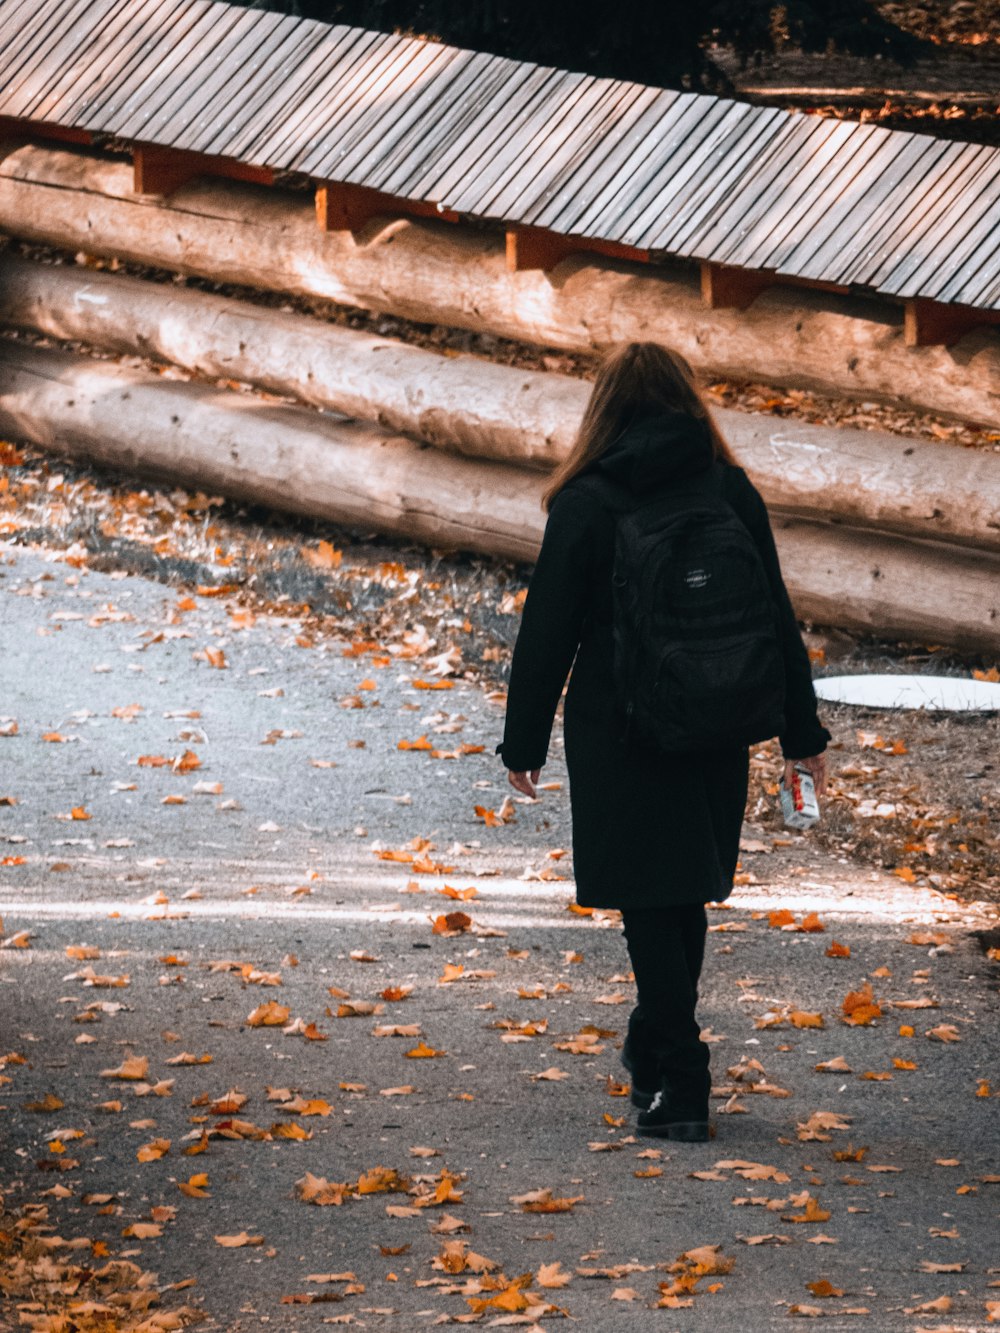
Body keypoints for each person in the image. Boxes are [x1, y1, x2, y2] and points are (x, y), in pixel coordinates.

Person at [496, 342, 830, 1141]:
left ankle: (682, 1078)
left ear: (604, 410)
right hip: (719, 713)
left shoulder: (588, 499)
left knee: (650, 894)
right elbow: (774, 616)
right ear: (688, 403)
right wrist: (800, 732)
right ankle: (653, 1044)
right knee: (679, 889)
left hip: (620, 722)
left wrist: (523, 741)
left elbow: (548, 628)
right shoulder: (730, 488)